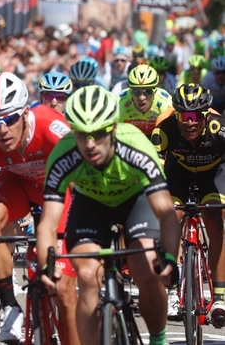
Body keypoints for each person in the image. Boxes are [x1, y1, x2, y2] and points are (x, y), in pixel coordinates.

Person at [39, 85, 179, 345]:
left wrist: (170, 257)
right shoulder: (63, 154)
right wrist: (47, 266)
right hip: (91, 204)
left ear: (113, 128)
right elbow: (47, 222)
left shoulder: (135, 145)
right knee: (88, 276)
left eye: (99, 134)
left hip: (135, 200)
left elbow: (166, 212)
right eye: (82, 135)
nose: (90, 144)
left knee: (147, 268)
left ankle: (158, 340)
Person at [0, 73, 79, 345]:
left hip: (58, 189)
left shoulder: (53, 128)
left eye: (10, 118)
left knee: (63, 290)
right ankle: (10, 305)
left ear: (26, 112)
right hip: (17, 186)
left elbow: (81, 183)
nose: (2, 128)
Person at [151, 83, 225, 326]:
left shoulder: (220, 128)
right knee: (171, 217)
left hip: (212, 177)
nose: (189, 122)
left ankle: (220, 296)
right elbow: (153, 168)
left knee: (215, 218)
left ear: (205, 116)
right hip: (178, 176)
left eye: (195, 116)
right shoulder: (165, 129)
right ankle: (173, 288)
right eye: (183, 115)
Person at [117, 64, 172, 136]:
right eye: (136, 91)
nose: (141, 98)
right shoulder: (120, 102)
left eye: (148, 92)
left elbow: (171, 135)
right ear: (130, 91)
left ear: (155, 92)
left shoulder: (165, 102)